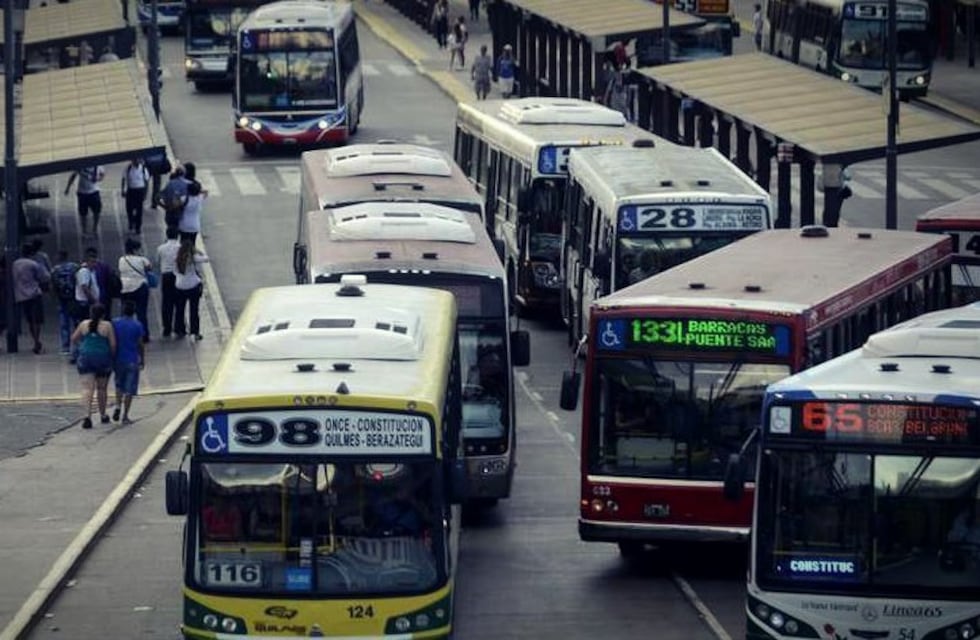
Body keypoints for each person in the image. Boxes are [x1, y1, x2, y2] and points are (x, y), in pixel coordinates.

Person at [71, 303, 116, 429]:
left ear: (90, 313)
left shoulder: (84, 324)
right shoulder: (107, 326)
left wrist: (82, 347)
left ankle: (87, 417)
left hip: (86, 358)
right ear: (103, 314)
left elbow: (74, 338)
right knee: (102, 389)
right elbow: (113, 345)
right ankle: (103, 415)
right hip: (102, 358)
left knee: (87, 389)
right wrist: (112, 357)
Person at [12, 242, 51, 354]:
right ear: (32, 253)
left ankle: (36, 341)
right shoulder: (33, 264)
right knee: (37, 320)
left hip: (21, 295)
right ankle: (36, 342)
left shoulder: (15, 263)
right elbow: (45, 277)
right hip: (34, 294)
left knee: (30, 320)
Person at [111, 300, 144, 425]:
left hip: (118, 359)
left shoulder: (115, 323)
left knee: (119, 385)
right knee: (130, 389)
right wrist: (142, 359)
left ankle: (118, 405)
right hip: (132, 359)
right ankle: (125, 416)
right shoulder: (137, 325)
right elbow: (140, 344)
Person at [117, 238, 153, 341]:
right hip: (140, 286)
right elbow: (149, 268)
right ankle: (144, 335)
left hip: (125, 288)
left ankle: (124, 334)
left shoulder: (122, 259)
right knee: (141, 312)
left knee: (125, 312)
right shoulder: (142, 259)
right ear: (135, 249)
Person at [174, 239, 208, 340]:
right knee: (194, 310)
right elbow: (206, 258)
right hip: (193, 286)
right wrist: (198, 251)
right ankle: (195, 332)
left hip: (180, 286)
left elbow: (174, 272)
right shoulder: (194, 258)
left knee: (180, 310)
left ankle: (179, 330)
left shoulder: (177, 259)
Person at [50, 249, 80, 356]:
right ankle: (77, 345)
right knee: (76, 321)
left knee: (64, 323)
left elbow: (53, 285)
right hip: (74, 297)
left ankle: (65, 347)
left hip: (62, 298)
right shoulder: (75, 267)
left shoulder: (55, 269)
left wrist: (53, 297)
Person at [64, 165, 105, 236]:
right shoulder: (82, 166)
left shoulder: (98, 166)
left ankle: (94, 229)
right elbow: (73, 176)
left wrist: (98, 179)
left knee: (97, 212)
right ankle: (84, 231)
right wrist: (68, 188)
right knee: (83, 214)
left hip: (94, 192)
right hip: (82, 193)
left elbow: (102, 174)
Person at [156, 227, 180, 338]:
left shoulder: (161, 248)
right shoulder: (180, 247)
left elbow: (157, 261)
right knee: (179, 302)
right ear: (177, 235)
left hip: (166, 275)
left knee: (166, 302)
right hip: (178, 275)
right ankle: (179, 327)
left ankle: (167, 327)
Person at [156, 164, 190, 233]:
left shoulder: (170, 184)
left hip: (170, 213)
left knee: (171, 232)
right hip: (181, 214)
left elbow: (157, 197)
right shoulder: (186, 185)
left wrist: (164, 207)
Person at [121, 157, 150, 235]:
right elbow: (123, 179)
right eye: (135, 160)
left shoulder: (143, 169)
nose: (137, 161)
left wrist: (145, 193)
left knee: (139, 210)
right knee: (129, 208)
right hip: (131, 190)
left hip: (140, 191)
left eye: (138, 160)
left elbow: (146, 181)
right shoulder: (128, 168)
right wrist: (123, 190)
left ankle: (138, 227)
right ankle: (131, 222)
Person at [179, 180, 207, 244]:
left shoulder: (183, 198)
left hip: (184, 225)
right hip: (195, 226)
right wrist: (198, 190)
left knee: (183, 243)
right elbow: (206, 192)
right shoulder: (199, 198)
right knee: (192, 243)